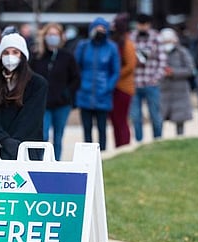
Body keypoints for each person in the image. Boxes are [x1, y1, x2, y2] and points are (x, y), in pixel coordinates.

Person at [0, 33, 48, 160]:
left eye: (15, 52)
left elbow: (32, 118)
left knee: (22, 181)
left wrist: (14, 143)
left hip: (26, 150)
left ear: (23, 56)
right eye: (6, 53)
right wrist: (2, 139)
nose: (10, 57)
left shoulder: (37, 83)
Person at [30, 22, 80, 161]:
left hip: (62, 104)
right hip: (43, 105)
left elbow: (75, 78)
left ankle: (57, 164)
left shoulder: (67, 57)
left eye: (55, 35)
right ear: (44, 36)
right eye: (50, 34)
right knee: (43, 136)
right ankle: (40, 163)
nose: (53, 37)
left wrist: (67, 93)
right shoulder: (37, 56)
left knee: (58, 137)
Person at [75, 17, 120, 151]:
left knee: (102, 128)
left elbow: (115, 71)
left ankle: (102, 156)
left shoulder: (112, 48)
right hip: (85, 93)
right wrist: (80, 86)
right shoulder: (83, 46)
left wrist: (108, 87)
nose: (100, 31)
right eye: (97, 29)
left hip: (103, 94)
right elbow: (76, 68)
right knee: (87, 129)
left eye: (103, 29)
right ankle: (87, 157)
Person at [130, 13, 167, 141]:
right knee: (135, 116)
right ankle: (139, 142)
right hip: (135, 83)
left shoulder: (156, 37)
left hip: (151, 83)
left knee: (155, 115)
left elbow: (162, 61)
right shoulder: (131, 38)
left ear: (149, 25)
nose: (142, 27)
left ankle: (158, 140)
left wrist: (156, 78)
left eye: (144, 24)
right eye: (140, 24)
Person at [159, 28, 195, 135]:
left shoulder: (182, 52)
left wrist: (173, 72)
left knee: (179, 121)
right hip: (163, 91)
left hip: (180, 92)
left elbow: (190, 70)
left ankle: (180, 139)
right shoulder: (158, 53)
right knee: (159, 119)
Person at [109, 13, 136, 147]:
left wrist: (115, 75)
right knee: (115, 120)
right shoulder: (115, 42)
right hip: (113, 88)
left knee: (121, 120)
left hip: (123, 88)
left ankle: (124, 146)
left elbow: (131, 65)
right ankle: (118, 145)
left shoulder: (128, 44)